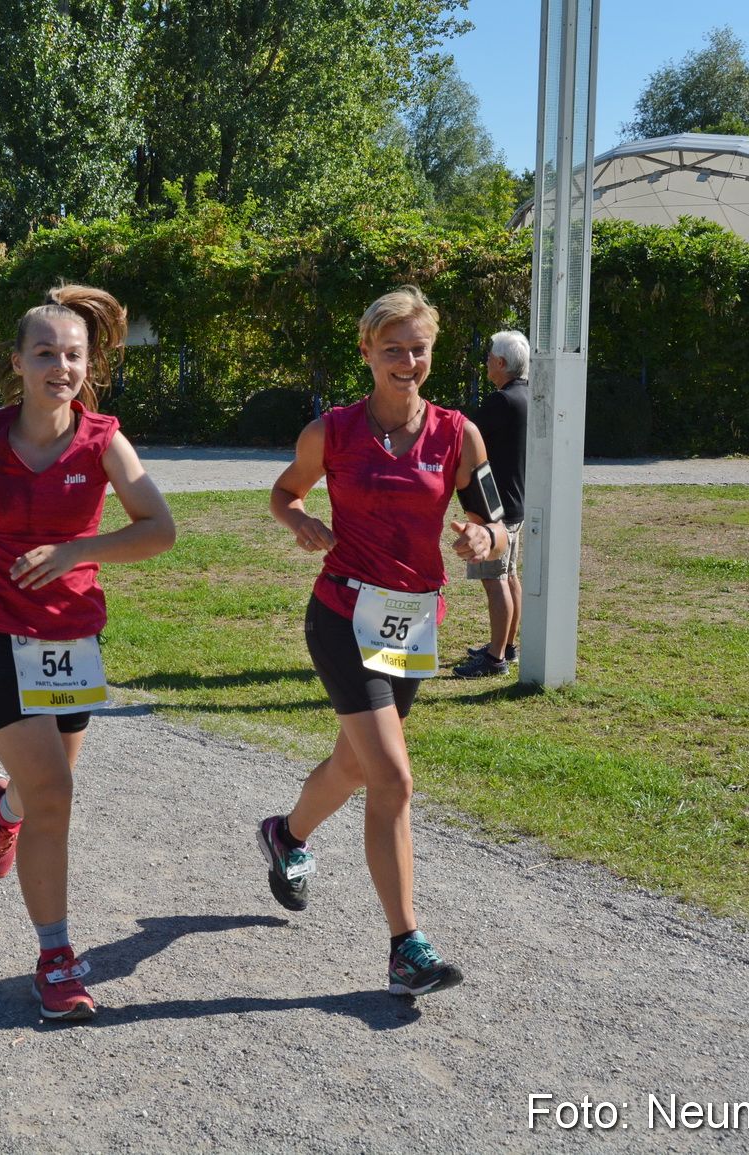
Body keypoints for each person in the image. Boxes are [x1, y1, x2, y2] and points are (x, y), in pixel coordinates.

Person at [0, 285, 176, 1021]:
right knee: (57, 793)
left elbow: (160, 528)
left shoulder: (103, 441)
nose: (62, 366)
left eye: (74, 355)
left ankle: (3, 804)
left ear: (90, 365)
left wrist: (81, 549)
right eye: (46, 354)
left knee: (41, 794)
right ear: (17, 363)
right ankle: (56, 957)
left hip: (72, 639)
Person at [256, 285, 505, 999]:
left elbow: (496, 523)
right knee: (392, 775)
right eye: (392, 348)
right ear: (365, 351)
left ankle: (286, 834)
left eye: (418, 348)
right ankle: (406, 947)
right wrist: (298, 519)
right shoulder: (330, 431)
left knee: (358, 766)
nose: (407, 360)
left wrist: (484, 534)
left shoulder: (459, 434)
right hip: (340, 614)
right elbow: (284, 492)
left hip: (412, 623)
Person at [454, 331, 530, 678]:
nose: (486, 361)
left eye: (489, 356)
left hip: (493, 508)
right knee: (510, 575)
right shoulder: (528, 396)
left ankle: (495, 658)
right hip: (515, 503)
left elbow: (465, 435)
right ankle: (508, 646)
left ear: (501, 363)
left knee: (494, 581)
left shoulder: (501, 401)